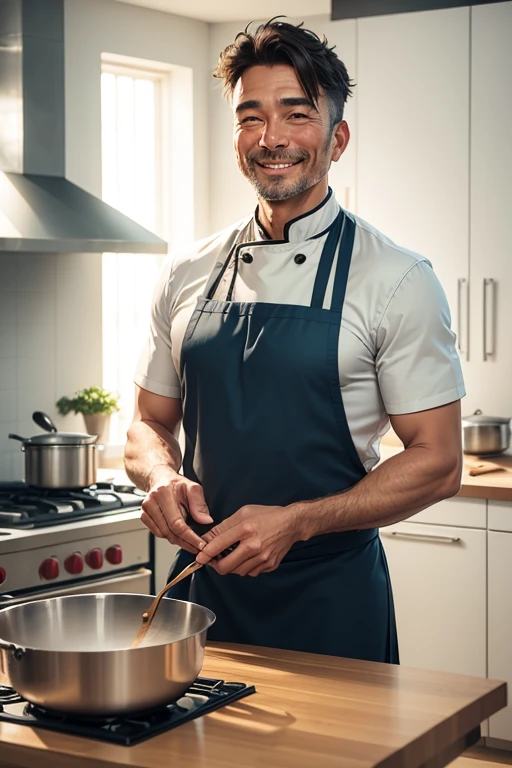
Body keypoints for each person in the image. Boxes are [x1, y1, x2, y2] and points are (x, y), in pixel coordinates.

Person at [125, 19, 465, 663]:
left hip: (330, 599)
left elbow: (440, 460)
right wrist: (161, 476)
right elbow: (147, 422)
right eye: (249, 117)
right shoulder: (186, 272)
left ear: (337, 139)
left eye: (296, 114)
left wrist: (299, 520)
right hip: (200, 596)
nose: (271, 137)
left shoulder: (396, 278)